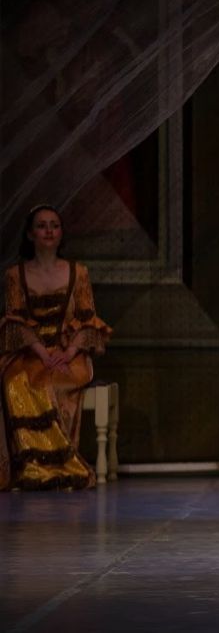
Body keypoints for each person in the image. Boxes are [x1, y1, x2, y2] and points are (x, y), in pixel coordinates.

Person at [0, 205, 112, 491]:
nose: (49, 231)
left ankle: (59, 465)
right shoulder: (15, 275)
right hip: (31, 353)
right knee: (16, 381)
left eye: (54, 225)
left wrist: (69, 351)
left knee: (54, 379)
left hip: (68, 354)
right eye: (42, 226)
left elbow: (88, 318)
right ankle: (32, 465)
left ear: (61, 233)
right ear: (30, 234)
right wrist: (42, 353)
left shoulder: (78, 272)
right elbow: (15, 320)